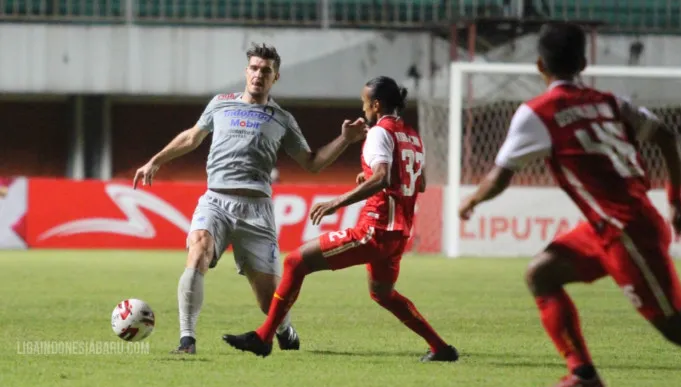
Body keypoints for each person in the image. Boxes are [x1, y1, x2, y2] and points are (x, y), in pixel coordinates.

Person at [459, 22, 681, 387]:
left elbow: (500, 177)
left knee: (679, 329)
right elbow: (666, 136)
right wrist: (676, 197)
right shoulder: (611, 102)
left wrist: (470, 202)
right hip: (611, 226)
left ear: (539, 65)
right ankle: (583, 376)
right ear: (583, 62)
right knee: (542, 273)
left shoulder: (537, 112)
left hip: (629, 232)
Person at [132, 43, 367, 354]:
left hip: (256, 209)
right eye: (254, 68)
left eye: (266, 71)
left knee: (266, 298)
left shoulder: (282, 119)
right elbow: (191, 137)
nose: (258, 74)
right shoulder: (220, 105)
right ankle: (187, 339)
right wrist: (156, 160)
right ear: (246, 72)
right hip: (215, 199)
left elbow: (312, 163)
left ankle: (284, 329)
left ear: (275, 77)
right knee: (198, 249)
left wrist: (345, 140)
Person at [221, 76, 459, 362]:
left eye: (364, 103)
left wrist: (338, 202)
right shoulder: (412, 136)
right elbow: (417, 184)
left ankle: (264, 337)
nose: (363, 109)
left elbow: (383, 177)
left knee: (296, 261)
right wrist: (371, 177)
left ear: (377, 104)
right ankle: (440, 348)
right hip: (399, 233)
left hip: (375, 229)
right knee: (383, 294)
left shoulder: (379, 133)